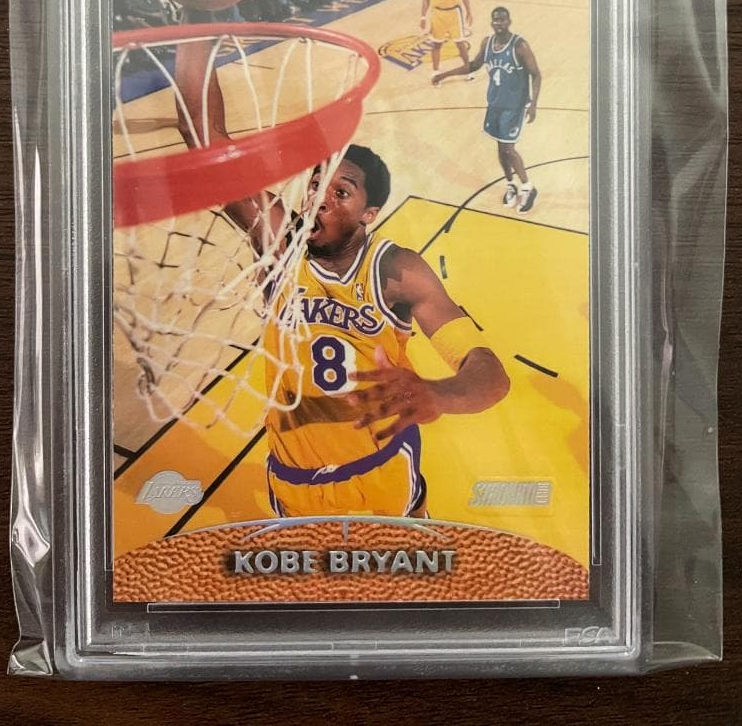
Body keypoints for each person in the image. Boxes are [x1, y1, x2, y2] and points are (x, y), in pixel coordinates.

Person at [173, 49, 509, 518]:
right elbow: (204, 140)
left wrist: (438, 394)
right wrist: (197, 25)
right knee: (308, 567)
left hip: (382, 464)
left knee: (408, 558)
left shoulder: (397, 272)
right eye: (315, 185)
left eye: (341, 192)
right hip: (296, 475)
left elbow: (489, 373)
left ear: (369, 214)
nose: (319, 199)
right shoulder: (280, 245)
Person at [434, 6, 542, 214]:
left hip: (514, 106)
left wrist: (534, 103)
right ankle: (510, 185)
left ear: (509, 22)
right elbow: (474, 65)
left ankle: (528, 187)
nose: (499, 24)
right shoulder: (488, 43)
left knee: (508, 148)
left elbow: (536, 74)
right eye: (495, 20)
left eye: (502, 20)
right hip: (495, 104)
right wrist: (444, 75)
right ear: (492, 23)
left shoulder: (520, 46)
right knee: (501, 149)